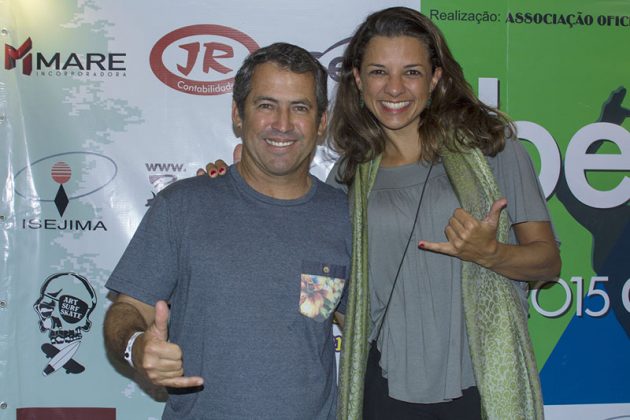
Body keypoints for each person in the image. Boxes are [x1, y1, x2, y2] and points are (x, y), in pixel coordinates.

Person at [328, 7, 561, 420]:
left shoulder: (492, 149)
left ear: (435, 79)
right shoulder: (347, 176)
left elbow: (548, 262)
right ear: (358, 80)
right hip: (382, 383)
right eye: (379, 71)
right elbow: (324, 287)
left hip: (481, 381)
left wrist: (491, 253)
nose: (395, 88)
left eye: (412, 72)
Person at [103, 42, 351, 420]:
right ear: (238, 114)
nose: (282, 124)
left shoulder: (345, 216)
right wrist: (136, 346)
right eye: (266, 105)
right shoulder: (182, 206)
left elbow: (362, 332)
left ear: (321, 122)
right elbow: (126, 309)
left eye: (299, 107)